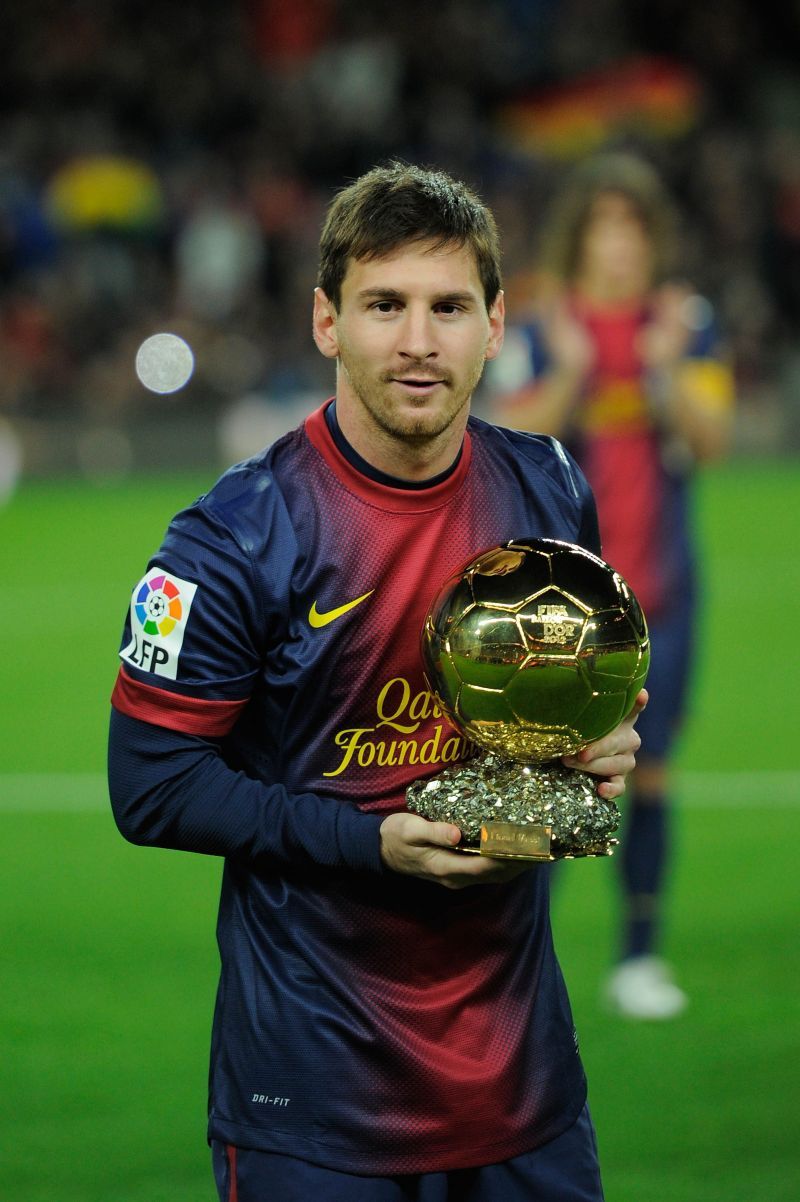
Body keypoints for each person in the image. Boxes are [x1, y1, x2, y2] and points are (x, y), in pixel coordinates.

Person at [108, 161, 646, 1202]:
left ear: (496, 324)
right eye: (383, 304)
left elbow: (560, 716)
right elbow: (151, 783)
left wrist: (591, 751)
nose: (416, 340)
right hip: (311, 1104)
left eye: (448, 306)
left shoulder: (547, 485)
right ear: (325, 322)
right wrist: (368, 841)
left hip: (521, 1090)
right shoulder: (231, 537)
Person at [492, 153, 734, 1020]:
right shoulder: (541, 321)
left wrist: (662, 372)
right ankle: (519, 969)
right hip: (559, 602)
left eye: (634, 229)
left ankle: (638, 957)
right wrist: (573, 368)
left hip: (663, 590)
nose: (621, 246)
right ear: (580, 237)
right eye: (605, 227)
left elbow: (710, 441)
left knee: (652, 770)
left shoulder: (683, 323)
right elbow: (511, 434)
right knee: (538, 773)